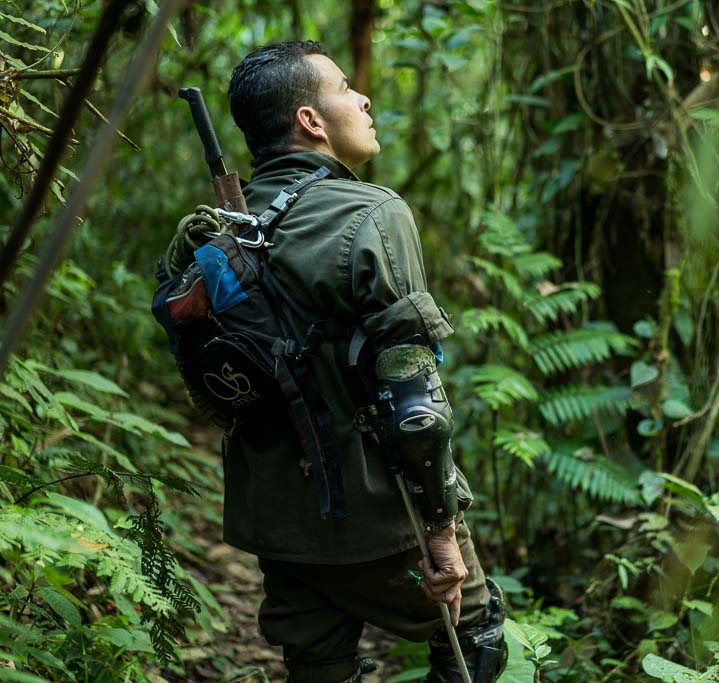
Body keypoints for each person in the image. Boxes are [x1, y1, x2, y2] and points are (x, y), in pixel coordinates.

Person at [217, 40, 507, 683]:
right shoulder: (372, 212)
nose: (363, 98)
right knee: (477, 636)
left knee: (318, 667)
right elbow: (416, 402)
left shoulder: (218, 232)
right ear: (311, 122)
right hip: (380, 516)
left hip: (273, 522)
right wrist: (440, 528)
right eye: (345, 87)